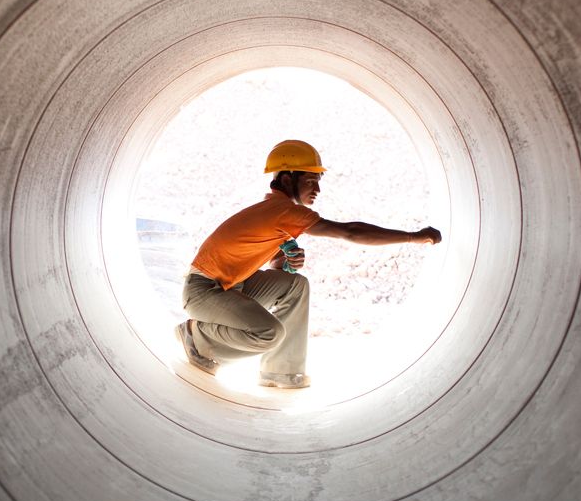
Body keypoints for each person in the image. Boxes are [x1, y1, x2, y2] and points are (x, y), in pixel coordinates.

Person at [176, 139, 443, 388]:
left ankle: (281, 371)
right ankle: (198, 337)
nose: (316, 189)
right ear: (286, 178)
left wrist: (285, 259)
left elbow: (274, 269)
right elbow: (349, 231)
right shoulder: (284, 211)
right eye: (310, 180)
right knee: (268, 332)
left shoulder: (275, 213)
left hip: (230, 287)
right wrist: (413, 237)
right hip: (203, 292)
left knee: (296, 285)